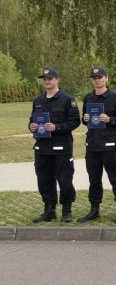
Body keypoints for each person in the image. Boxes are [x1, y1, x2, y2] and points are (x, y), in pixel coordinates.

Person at [78, 67, 116, 222]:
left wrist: (110, 120)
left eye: (100, 77)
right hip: (93, 144)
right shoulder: (88, 98)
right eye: (94, 78)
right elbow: (84, 119)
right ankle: (94, 209)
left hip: (110, 144)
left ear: (106, 78)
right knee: (94, 178)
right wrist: (85, 119)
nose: (97, 80)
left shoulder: (115, 97)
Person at [29, 68, 80, 223]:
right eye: (45, 79)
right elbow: (32, 120)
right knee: (44, 180)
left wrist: (56, 127)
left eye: (50, 78)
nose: (47, 81)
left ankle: (67, 211)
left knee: (64, 181)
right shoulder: (38, 101)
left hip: (61, 148)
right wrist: (31, 126)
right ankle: (49, 210)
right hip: (42, 148)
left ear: (57, 80)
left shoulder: (67, 99)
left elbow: (74, 122)